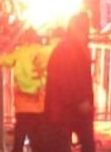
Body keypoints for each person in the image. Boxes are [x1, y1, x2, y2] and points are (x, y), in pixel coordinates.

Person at [43, 12, 95, 152]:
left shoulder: (67, 47)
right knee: (85, 143)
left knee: (66, 143)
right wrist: (81, 100)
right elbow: (72, 77)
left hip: (65, 108)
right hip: (70, 108)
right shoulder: (71, 49)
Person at [0, 28, 50, 152]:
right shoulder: (42, 52)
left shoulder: (19, 53)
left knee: (19, 140)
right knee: (38, 142)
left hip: (23, 104)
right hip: (38, 104)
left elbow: (3, 60)